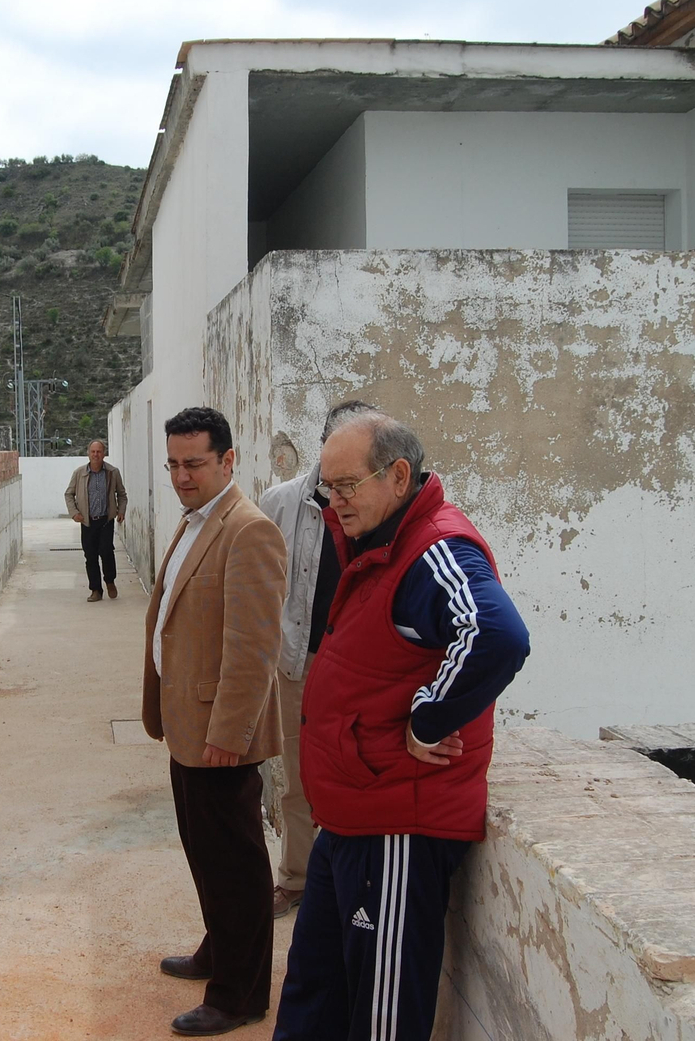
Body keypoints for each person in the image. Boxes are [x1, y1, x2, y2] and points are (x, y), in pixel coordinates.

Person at [272, 412, 530, 1041]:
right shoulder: (377, 537)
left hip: (396, 826)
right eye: (326, 489)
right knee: (312, 995)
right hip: (354, 814)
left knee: (380, 1019)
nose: (333, 502)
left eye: (345, 487)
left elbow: (496, 634)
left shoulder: (434, 547)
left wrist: (429, 714)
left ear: (398, 475)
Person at [143, 406, 287, 1037]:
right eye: (173, 464)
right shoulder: (197, 521)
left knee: (236, 864)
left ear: (229, 461)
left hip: (219, 734)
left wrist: (229, 733)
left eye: (194, 463)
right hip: (187, 725)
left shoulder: (247, 529)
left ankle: (240, 993)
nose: (181, 475)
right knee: (206, 852)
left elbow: (253, 649)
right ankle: (217, 952)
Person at [257, 400, 377, 920]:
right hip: (297, 665)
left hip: (359, 674)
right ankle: (298, 879)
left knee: (359, 777)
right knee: (299, 781)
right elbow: (261, 585)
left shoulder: (381, 507)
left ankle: (352, 886)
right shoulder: (282, 502)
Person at [65, 439, 128, 602]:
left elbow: (122, 494)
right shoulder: (79, 473)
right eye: (93, 451)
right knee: (90, 556)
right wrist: (74, 513)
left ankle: (110, 581)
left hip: (106, 520)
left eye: (99, 451)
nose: (96, 455)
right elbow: (69, 494)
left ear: (104, 454)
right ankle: (95, 590)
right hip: (87, 521)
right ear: (88, 453)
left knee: (106, 551)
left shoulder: (112, 472)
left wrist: (121, 511)